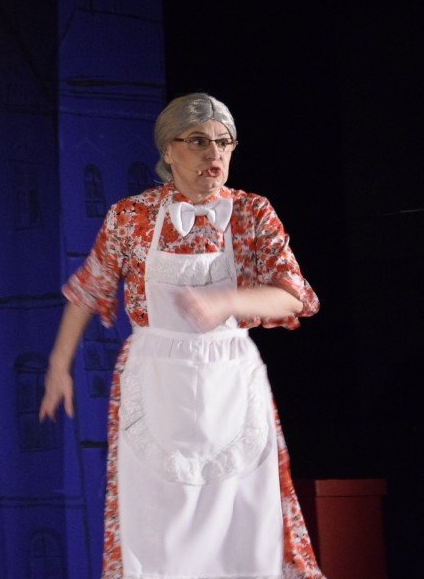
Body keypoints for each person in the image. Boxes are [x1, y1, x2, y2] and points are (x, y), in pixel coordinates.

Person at [40, 92, 323, 578]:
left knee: (247, 524)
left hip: (229, 381)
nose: (215, 154)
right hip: (156, 383)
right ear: (168, 151)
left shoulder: (252, 212)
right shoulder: (131, 216)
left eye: (224, 142)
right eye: (199, 141)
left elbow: (292, 296)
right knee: (156, 525)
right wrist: (57, 367)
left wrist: (228, 302)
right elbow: (89, 289)